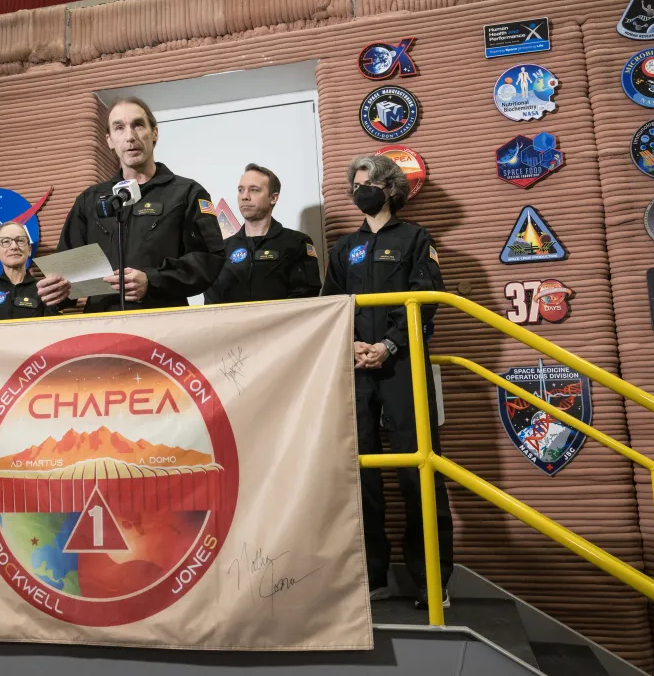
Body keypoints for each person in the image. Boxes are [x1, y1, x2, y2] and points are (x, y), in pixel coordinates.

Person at [321, 153, 454, 608]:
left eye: (372, 181)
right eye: (357, 181)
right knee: (359, 476)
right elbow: (330, 304)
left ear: (391, 188)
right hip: (353, 370)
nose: (364, 188)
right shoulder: (342, 248)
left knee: (419, 472)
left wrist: (389, 345)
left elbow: (425, 297)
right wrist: (353, 345)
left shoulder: (417, 238)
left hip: (403, 367)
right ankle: (370, 577)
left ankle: (431, 580)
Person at [37, 97, 225, 312]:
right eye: (119, 128)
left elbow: (208, 259)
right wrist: (58, 292)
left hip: (164, 324)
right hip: (103, 325)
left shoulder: (187, 193)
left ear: (154, 133)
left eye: (138, 125)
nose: (130, 136)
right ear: (109, 140)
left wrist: (152, 281)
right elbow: (68, 276)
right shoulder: (88, 201)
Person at [204, 164, 321, 304]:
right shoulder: (222, 250)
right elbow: (212, 302)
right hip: (232, 325)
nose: (245, 197)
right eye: (241, 190)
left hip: (281, 325)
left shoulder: (297, 243)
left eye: (254, 190)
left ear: (273, 198)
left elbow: (305, 296)